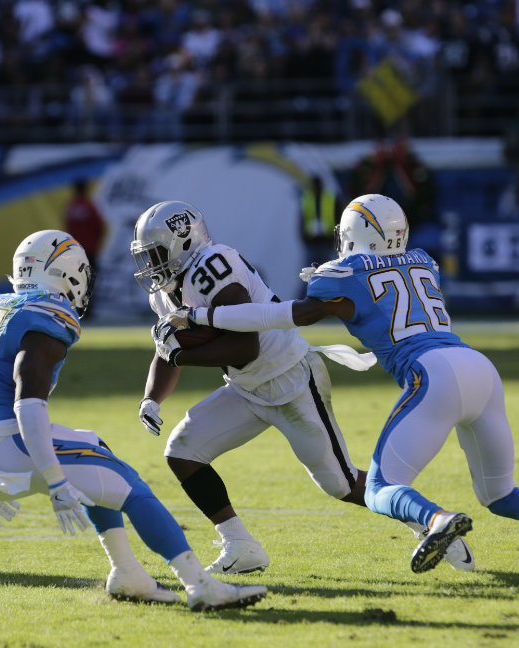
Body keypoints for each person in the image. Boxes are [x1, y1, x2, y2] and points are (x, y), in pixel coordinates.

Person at [161, 194, 519, 582]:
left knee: (380, 487)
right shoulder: (423, 261)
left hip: (432, 375)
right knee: (502, 494)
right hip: (479, 369)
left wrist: (201, 316)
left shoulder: (339, 276)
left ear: (351, 236)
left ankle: (438, 521)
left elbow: (282, 316)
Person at [131, 200, 474, 575]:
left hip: (291, 378)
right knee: (182, 451)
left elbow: (245, 348)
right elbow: (169, 346)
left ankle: (432, 522)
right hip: (247, 389)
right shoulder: (164, 293)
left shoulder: (213, 267)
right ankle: (240, 545)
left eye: (155, 253)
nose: (151, 265)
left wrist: (181, 356)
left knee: (341, 483)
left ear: (182, 242)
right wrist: (152, 397)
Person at [0, 229, 266, 611]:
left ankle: (127, 572)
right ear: (69, 274)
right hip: (7, 444)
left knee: (96, 447)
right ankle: (200, 586)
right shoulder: (47, 314)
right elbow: (27, 404)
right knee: (133, 487)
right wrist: (56, 480)